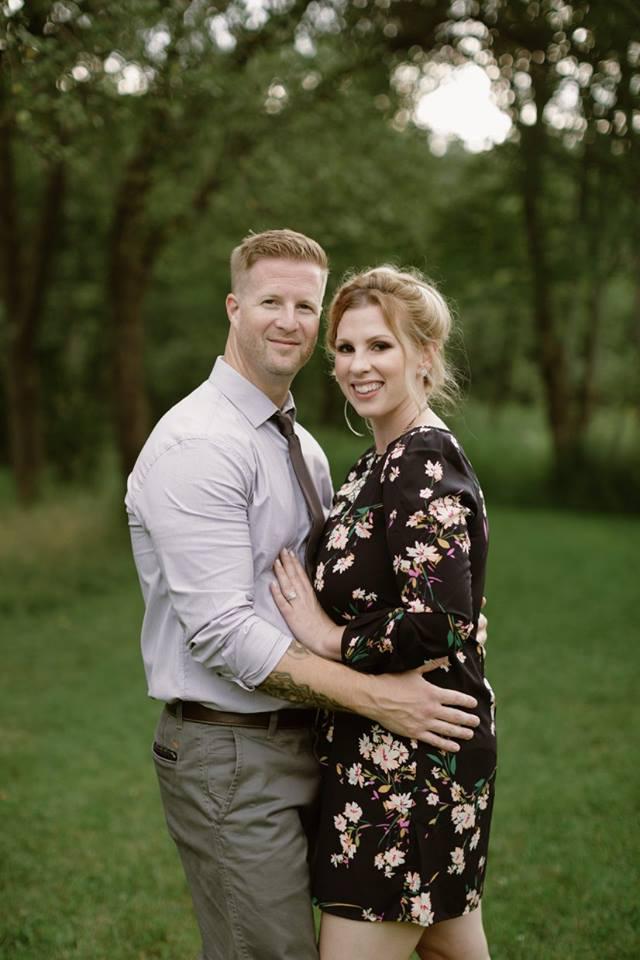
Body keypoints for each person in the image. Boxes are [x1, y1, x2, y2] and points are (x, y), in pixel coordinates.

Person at [125, 230, 483, 960]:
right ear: (233, 307)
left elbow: (408, 593)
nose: (289, 320)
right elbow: (224, 633)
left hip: (331, 741)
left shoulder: (309, 448)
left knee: (436, 940)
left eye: (305, 305)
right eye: (270, 302)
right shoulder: (198, 445)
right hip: (234, 749)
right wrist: (373, 691)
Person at [271, 265, 496, 960]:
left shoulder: (419, 461)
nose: (357, 365)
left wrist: (328, 638)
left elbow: (439, 622)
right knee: (448, 947)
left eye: (380, 347)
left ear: (424, 356)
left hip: (411, 764)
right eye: (344, 349)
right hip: (380, 747)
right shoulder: (375, 465)